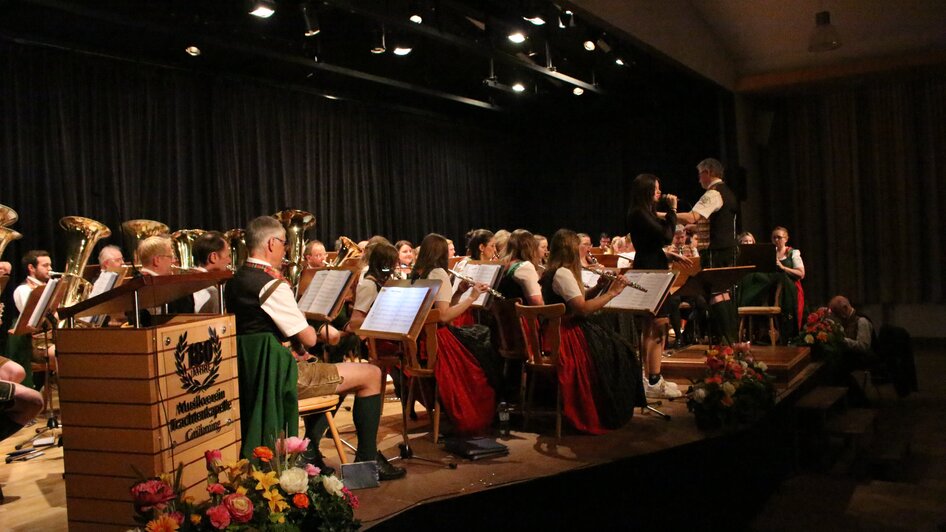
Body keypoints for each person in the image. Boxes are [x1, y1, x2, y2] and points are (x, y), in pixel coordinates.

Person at [225, 216, 404, 480]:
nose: (286, 250)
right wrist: (323, 334)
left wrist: (318, 333)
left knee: (337, 374)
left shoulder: (235, 280)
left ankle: (310, 449)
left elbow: (271, 328)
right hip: (282, 376)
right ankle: (367, 461)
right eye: (284, 244)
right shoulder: (271, 285)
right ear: (272, 243)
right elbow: (308, 339)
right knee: (372, 374)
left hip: (255, 375)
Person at [539, 229, 644, 433]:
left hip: (558, 330)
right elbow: (583, 308)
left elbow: (577, 299)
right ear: (571, 249)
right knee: (621, 351)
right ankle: (609, 409)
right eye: (581, 246)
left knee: (616, 346)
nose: (584, 250)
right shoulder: (563, 273)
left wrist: (599, 287)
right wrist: (613, 292)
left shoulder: (555, 270)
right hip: (567, 334)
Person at [410, 233, 497, 434]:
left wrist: (458, 292)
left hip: (422, 340)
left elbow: (440, 309)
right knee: (483, 349)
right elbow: (444, 316)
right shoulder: (438, 273)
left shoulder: (418, 273)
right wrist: (472, 297)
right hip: (438, 340)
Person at [627, 174, 690, 398]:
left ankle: (652, 377)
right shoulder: (639, 213)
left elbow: (653, 241)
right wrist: (672, 210)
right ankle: (653, 379)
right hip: (651, 270)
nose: (659, 192)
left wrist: (669, 255)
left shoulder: (644, 213)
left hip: (652, 265)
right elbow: (666, 235)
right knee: (658, 325)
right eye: (656, 188)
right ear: (646, 190)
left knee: (652, 325)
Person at [675, 158, 740, 343]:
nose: (699, 180)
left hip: (715, 250)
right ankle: (730, 339)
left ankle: (727, 339)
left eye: (700, 175)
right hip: (727, 249)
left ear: (708, 172)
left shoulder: (713, 194)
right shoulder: (728, 192)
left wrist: (663, 215)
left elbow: (691, 217)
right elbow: (719, 223)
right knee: (723, 292)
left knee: (716, 293)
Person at [738, 226, 805, 335]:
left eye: (779, 237)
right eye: (774, 238)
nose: (776, 240)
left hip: (789, 287)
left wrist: (783, 268)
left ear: (786, 239)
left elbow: (801, 274)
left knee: (780, 278)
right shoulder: (769, 253)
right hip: (770, 288)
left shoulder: (792, 253)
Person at [497, 229, 544, 305]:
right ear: (530, 248)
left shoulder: (503, 264)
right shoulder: (525, 267)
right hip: (525, 315)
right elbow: (536, 302)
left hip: (508, 315)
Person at [191, 231, 232, 313]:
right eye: (228, 256)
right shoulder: (210, 292)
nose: (230, 261)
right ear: (213, 257)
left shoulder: (189, 281)